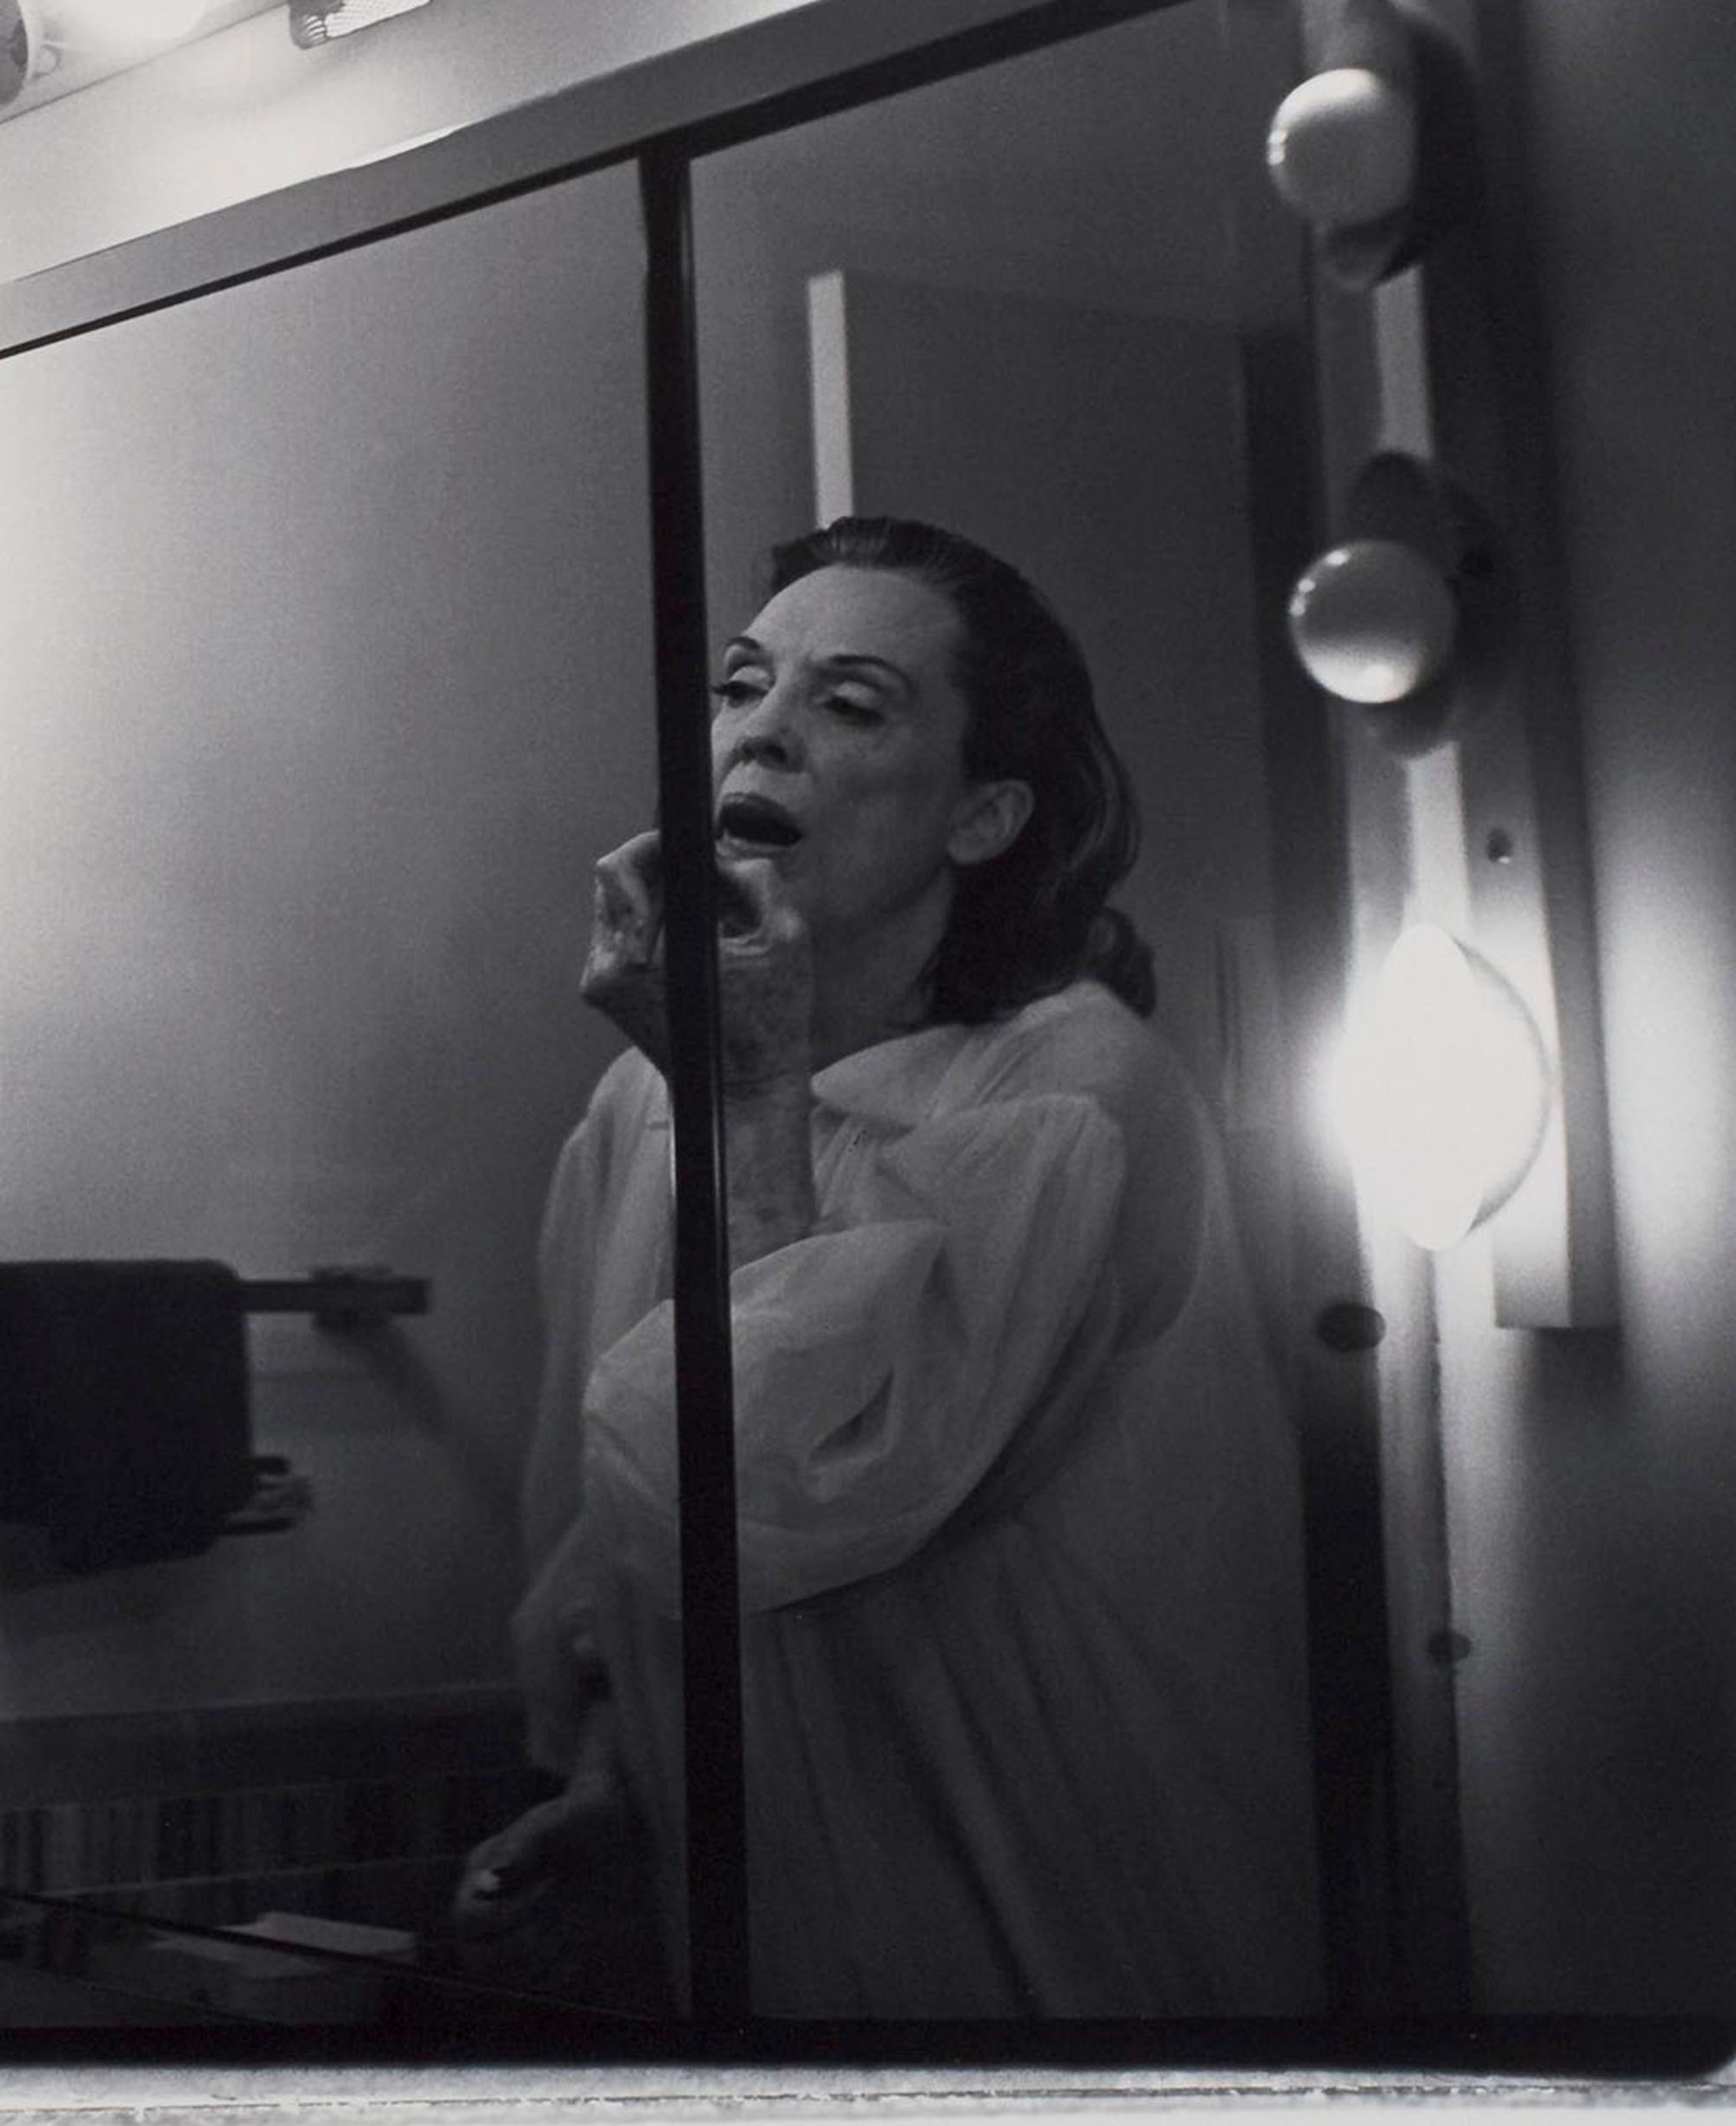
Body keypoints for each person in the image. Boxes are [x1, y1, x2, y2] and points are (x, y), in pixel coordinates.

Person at [453, 513, 1321, 2018]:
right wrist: (618, 1790)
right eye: (741, 688)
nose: (761, 735)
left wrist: (748, 1097)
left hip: (1052, 1960)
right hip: (765, 1958)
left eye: (848, 704)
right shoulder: (636, 1104)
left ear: (982, 819)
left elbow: (780, 1503)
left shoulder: (1062, 1101)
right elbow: (617, 1537)